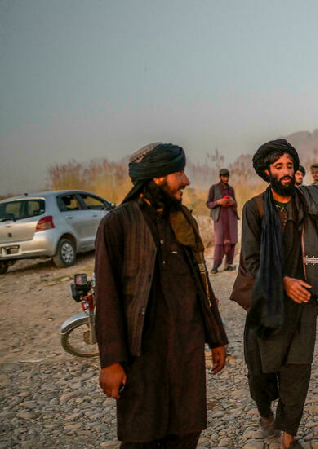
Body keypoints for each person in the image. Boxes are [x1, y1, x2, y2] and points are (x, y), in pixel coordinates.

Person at [95, 143, 228, 448]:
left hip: (185, 348)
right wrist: (111, 362)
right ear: (156, 178)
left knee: (186, 432)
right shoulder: (118, 224)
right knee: (141, 434)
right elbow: (108, 296)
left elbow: (201, 282)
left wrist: (216, 336)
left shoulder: (182, 220)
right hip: (142, 355)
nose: (186, 180)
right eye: (178, 172)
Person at [236, 139, 318, 449]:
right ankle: (265, 412)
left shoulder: (310, 203)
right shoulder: (255, 208)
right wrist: (283, 282)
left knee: (298, 369)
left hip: (304, 299)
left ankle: (289, 436)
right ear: (266, 171)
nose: (286, 172)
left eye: (289, 166)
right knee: (260, 370)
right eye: (279, 167)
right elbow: (250, 260)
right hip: (268, 300)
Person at [206, 168, 239, 273]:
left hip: (231, 217)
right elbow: (208, 204)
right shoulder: (214, 188)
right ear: (220, 177)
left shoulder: (231, 189)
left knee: (233, 240)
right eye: (224, 176)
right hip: (219, 218)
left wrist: (232, 202)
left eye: (227, 176)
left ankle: (228, 264)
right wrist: (218, 202)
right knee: (219, 242)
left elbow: (235, 203)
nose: (226, 178)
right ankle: (215, 266)